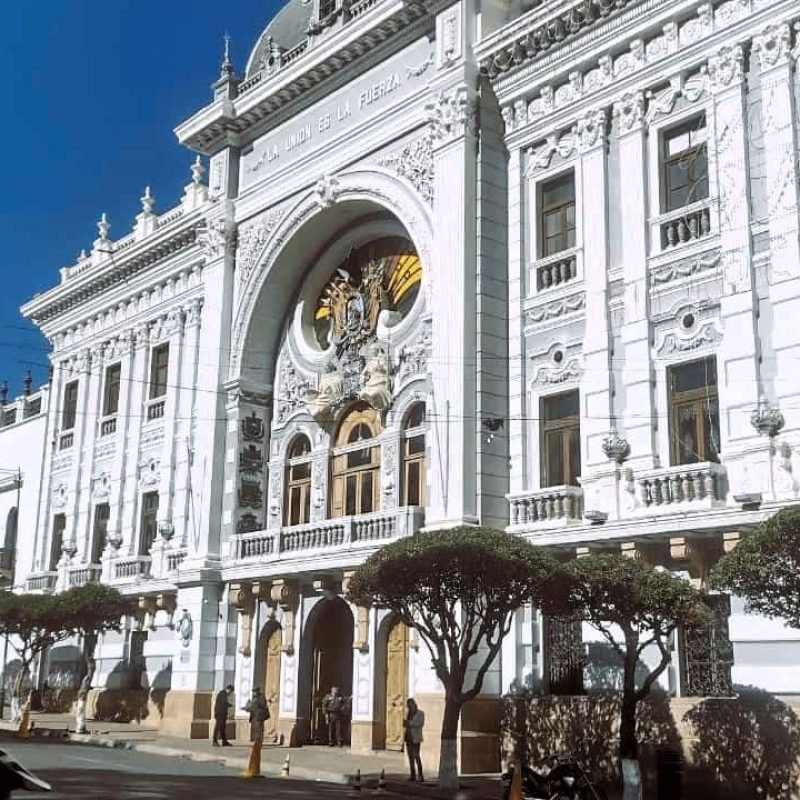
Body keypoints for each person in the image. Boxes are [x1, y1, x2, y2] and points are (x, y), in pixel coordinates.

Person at [403, 698, 425, 782]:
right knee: (410, 757)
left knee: (416, 756)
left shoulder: (420, 713)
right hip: (408, 737)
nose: (409, 707)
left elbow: (421, 723)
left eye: (410, 704)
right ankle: (413, 775)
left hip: (415, 738)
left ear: (414, 704)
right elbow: (405, 723)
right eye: (408, 705)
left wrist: (409, 723)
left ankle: (420, 775)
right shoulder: (407, 713)